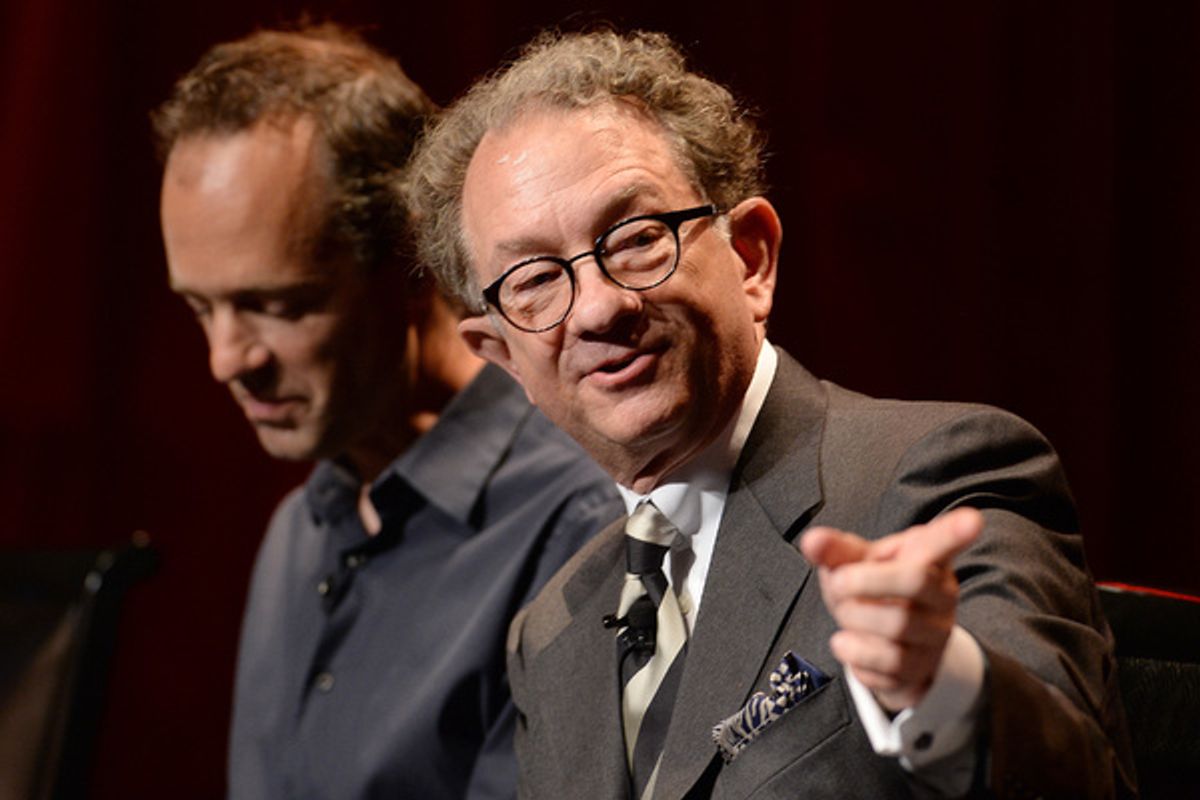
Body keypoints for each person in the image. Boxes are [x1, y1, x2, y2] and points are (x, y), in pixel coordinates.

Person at [405, 29, 1136, 799]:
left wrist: (939, 687)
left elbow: (1076, 778)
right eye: (534, 281)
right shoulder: (548, 634)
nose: (598, 307)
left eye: (637, 238)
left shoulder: (932, 477)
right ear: (503, 356)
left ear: (751, 258)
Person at [153, 25, 621, 799]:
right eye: (201, 308)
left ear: (412, 258)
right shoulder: (296, 534)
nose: (227, 359)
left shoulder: (577, 525)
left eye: (276, 305)